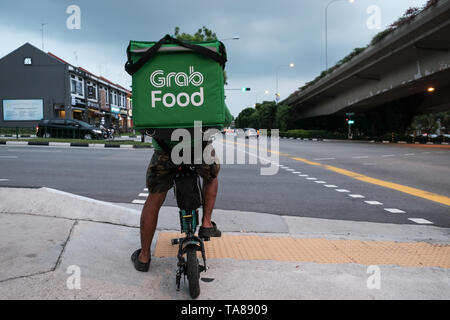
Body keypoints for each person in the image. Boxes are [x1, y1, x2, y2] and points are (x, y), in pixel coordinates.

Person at [131, 108, 232, 272]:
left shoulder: (154, 88)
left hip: (165, 152)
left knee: (155, 196)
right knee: (211, 177)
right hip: (199, 149)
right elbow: (225, 119)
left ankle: (143, 257)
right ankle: (206, 223)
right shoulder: (203, 86)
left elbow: (140, 122)